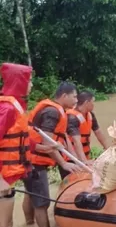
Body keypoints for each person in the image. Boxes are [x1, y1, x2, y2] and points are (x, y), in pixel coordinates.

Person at [0, 63, 58, 227]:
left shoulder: (14, 107)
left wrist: (44, 148)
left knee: (8, 222)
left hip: (7, 177)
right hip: (1, 178)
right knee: (4, 223)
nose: (31, 85)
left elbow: (21, 139)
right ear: (19, 82)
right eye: (29, 80)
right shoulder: (7, 109)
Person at [24, 82, 81, 227]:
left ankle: (29, 223)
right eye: (74, 97)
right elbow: (48, 142)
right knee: (42, 203)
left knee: (32, 194)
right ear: (64, 96)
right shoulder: (52, 112)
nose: (76, 101)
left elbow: (62, 138)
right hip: (34, 160)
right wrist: (63, 163)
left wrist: (79, 160)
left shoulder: (57, 110)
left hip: (31, 158)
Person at [65, 91, 108, 176]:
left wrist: (108, 149)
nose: (94, 105)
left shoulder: (90, 115)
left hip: (85, 155)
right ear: (87, 103)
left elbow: (98, 132)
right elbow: (76, 141)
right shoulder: (72, 117)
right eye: (93, 102)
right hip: (71, 158)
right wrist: (83, 161)